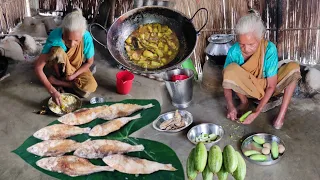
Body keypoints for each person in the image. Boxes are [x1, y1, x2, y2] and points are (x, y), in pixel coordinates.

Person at [222, 12, 301, 129]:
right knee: (229, 70)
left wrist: (257, 112)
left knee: (293, 68)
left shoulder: (269, 48)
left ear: (260, 37)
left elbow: (271, 86)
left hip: (269, 87)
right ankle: (244, 102)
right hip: (247, 88)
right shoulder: (234, 51)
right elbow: (227, 81)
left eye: (251, 44)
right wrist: (230, 105)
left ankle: (281, 115)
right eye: (242, 44)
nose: (246, 49)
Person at [35, 9, 97, 106]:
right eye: (68, 39)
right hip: (59, 67)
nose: (72, 44)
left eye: (76, 40)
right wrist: (52, 91)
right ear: (63, 31)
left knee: (90, 87)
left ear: (82, 34)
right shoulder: (55, 36)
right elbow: (38, 68)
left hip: (75, 68)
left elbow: (89, 62)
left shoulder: (86, 37)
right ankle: (60, 78)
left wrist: (74, 76)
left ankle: (57, 82)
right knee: (57, 52)